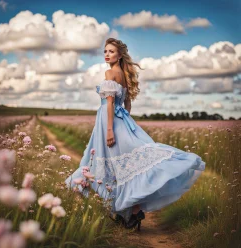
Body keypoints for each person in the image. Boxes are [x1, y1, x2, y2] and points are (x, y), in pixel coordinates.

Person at [65, 38, 206, 231]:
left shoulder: (110, 73)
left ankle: (128, 212)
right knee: (127, 167)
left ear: (119, 55)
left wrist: (109, 129)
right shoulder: (124, 74)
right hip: (122, 121)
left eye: (111, 51)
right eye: (105, 51)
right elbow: (127, 104)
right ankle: (132, 212)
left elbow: (110, 104)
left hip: (108, 123)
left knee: (111, 164)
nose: (107, 54)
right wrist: (124, 123)